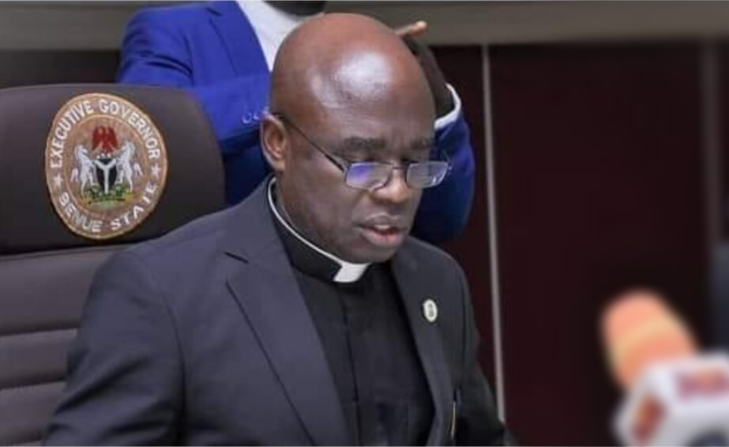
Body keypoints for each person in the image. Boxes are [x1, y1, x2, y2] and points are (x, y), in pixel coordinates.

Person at [44, 14, 511, 446]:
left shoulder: (438, 281)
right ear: (277, 144)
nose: (396, 191)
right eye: (363, 164)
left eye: (415, 162)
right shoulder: (163, 293)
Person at [117, 0, 475, 244]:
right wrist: (307, 78)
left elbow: (443, 221)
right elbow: (151, 138)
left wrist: (441, 109)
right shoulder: (172, 30)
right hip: (221, 295)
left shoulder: (368, 50)